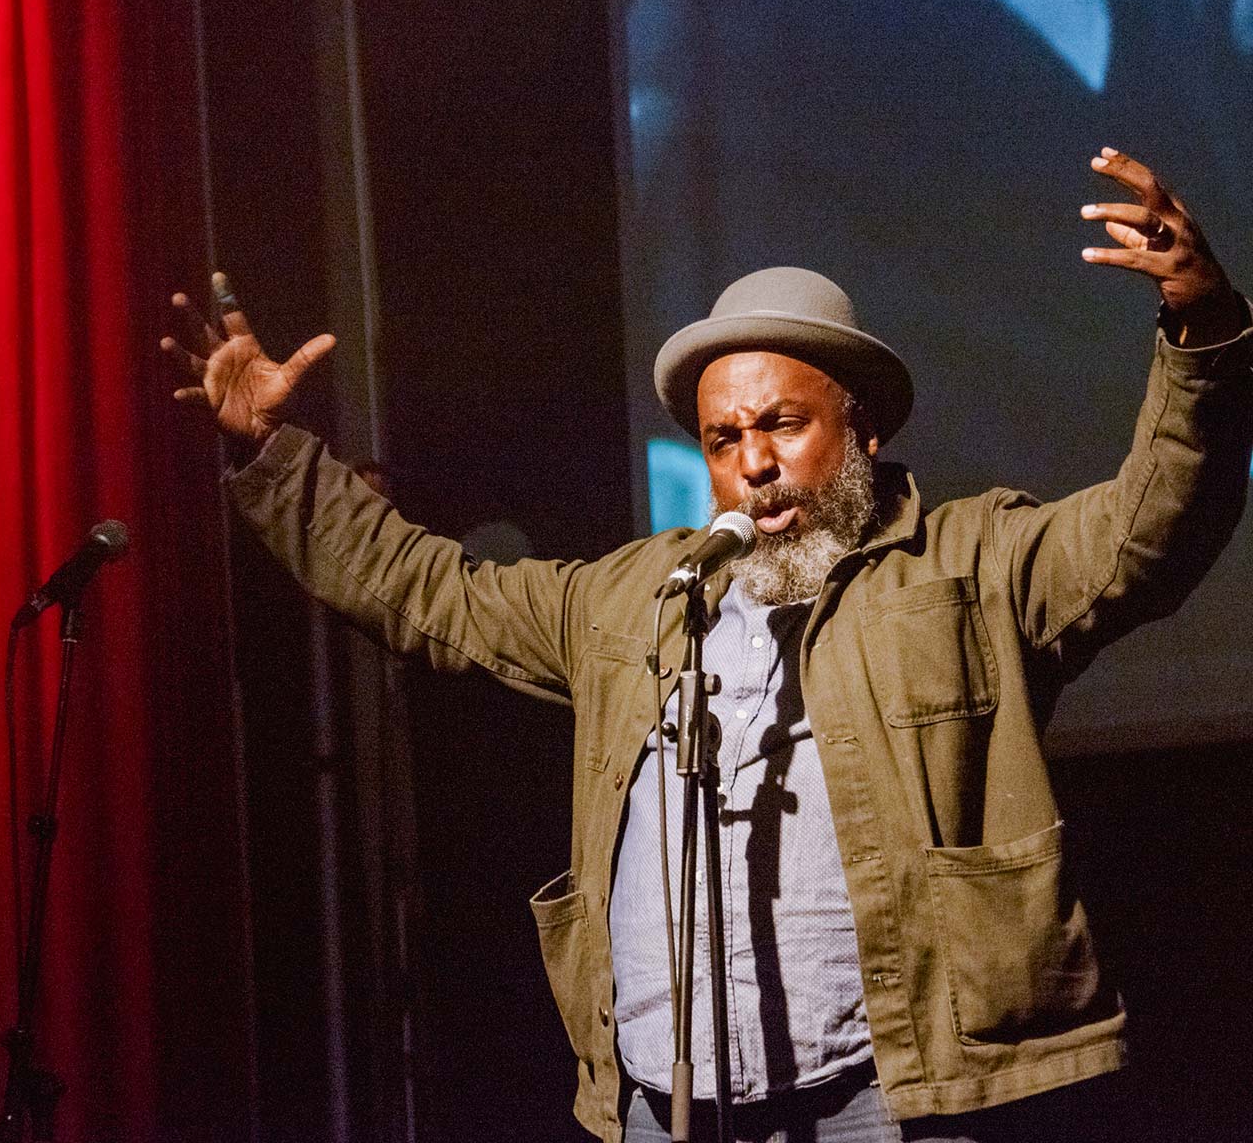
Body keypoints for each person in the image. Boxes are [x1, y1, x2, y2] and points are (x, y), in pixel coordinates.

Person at [163, 149, 1252, 1142]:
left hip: (887, 1096)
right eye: (724, 438)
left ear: (862, 428)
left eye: (783, 423)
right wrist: (272, 452)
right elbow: (428, 594)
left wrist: (1198, 329)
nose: (753, 464)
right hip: (666, 1101)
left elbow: (1151, 528)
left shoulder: (971, 564)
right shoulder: (637, 594)